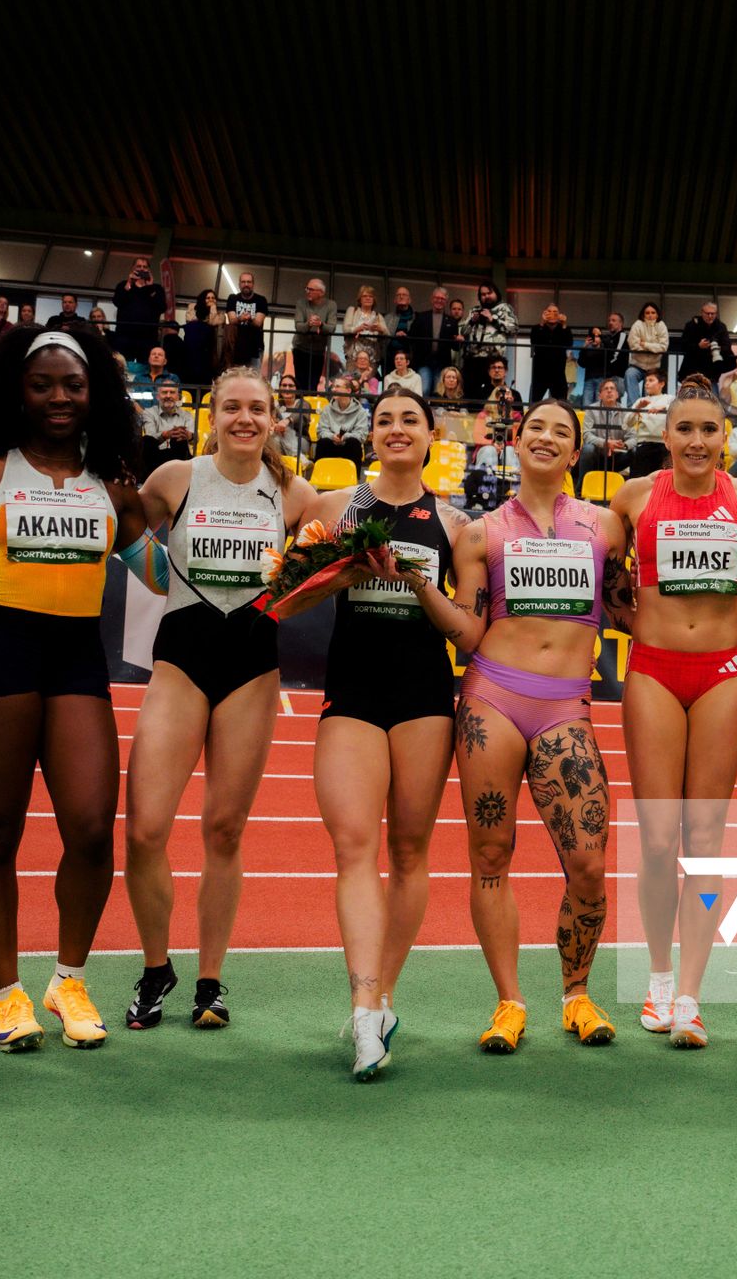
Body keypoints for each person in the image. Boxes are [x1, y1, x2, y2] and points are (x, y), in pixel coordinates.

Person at [0, 325, 165, 1053]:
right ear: (16, 390)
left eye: (72, 384)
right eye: (42, 384)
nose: (59, 397)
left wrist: (273, 570)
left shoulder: (116, 486)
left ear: (95, 391)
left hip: (77, 661)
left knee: (91, 827)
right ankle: (7, 995)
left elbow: (167, 577)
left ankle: (68, 978)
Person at [407, 400, 632, 1052]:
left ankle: (577, 995)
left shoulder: (605, 526)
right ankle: (509, 1001)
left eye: (561, 431)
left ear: (575, 453)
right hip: (491, 701)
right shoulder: (481, 533)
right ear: (517, 441)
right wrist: (425, 589)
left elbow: (628, 612)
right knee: (490, 856)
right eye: (536, 426)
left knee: (588, 862)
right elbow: (471, 630)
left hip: (566, 705)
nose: (546, 437)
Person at [281, 387, 469, 1079]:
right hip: (353, 694)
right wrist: (345, 570)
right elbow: (286, 601)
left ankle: (387, 995)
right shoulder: (336, 510)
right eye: (384, 419)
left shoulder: (455, 522)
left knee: (410, 850)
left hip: (423, 696)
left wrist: (419, 585)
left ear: (430, 436)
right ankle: (364, 1009)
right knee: (354, 846)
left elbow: (467, 631)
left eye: (409, 420)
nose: (395, 429)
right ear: (370, 435)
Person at [124, 367, 319, 1030]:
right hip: (181, 660)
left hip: (252, 668)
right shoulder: (175, 479)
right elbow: (125, 531)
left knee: (224, 831)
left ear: (274, 419)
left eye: (256, 409)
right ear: (213, 416)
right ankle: (156, 968)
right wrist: (153, 571)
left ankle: (209, 981)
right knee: (146, 827)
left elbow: (347, 529)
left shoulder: (293, 493)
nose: (243, 418)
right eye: (231, 407)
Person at [609, 375, 737, 1047]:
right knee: (657, 837)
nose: (698, 441)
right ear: (666, 435)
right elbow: (602, 570)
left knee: (705, 838)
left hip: (725, 674)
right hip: (651, 670)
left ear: (725, 436)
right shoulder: (635, 498)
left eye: (710, 429)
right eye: (686, 429)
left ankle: (692, 994)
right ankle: (656, 972)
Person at [461, 284, 517, 401]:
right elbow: (463, 332)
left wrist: (492, 319)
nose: (486, 296)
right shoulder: (474, 310)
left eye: (489, 293)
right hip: (472, 358)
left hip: (493, 359)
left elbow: (514, 329)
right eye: (483, 294)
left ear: (496, 293)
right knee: (470, 392)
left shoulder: (505, 308)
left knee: (491, 393)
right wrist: (472, 321)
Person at [111, 256, 167, 363]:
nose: (141, 269)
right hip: (124, 336)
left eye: (145, 267)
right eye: (138, 266)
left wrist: (150, 288)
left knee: (146, 369)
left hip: (148, 338)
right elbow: (117, 302)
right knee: (121, 367)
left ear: (149, 270)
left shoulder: (157, 288)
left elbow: (162, 307)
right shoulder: (123, 285)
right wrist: (129, 285)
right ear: (132, 268)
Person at [138, 374, 196, 475]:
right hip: (156, 457)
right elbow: (150, 438)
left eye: (172, 392)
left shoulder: (187, 415)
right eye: (164, 392)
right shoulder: (149, 412)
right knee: (147, 441)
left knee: (179, 440)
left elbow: (194, 441)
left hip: (178, 458)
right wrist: (165, 435)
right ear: (157, 396)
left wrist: (189, 436)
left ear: (178, 397)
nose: (168, 396)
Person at [312, 375, 370, 463]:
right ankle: (319, 475)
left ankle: (354, 476)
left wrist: (345, 437)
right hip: (331, 444)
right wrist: (332, 436)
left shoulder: (360, 411)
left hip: (348, 446)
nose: (333, 389)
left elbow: (362, 435)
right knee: (323, 442)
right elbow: (320, 431)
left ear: (348, 390)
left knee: (354, 443)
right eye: (333, 386)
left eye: (337, 386)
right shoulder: (327, 409)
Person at [580, 377, 630, 479]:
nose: (609, 391)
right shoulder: (591, 410)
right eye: (606, 389)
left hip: (618, 456)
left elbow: (633, 437)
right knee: (588, 448)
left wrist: (624, 445)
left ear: (617, 394)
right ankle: (580, 490)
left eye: (612, 388)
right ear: (600, 395)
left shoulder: (626, 412)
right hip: (597, 456)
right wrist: (605, 443)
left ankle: (633, 489)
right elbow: (586, 435)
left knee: (635, 451)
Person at [626, 368, 672, 475]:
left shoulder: (669, 399)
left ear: (661, 384)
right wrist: (637, 408)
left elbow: (679, 409)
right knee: (640, 480)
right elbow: (627, 423)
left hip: (663, 445)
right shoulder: (640, 401)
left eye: (651, 380)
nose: (646, 384)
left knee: (662, 480)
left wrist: (664, 407)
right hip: (644, 445)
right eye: (646, 381)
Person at [407, 286, 459, 382]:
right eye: (437, 298)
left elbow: (456, 347)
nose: (439, 301)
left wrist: (459, 341)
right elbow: (411, 337)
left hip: (442, 363)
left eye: (442, 299)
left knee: (438, 392)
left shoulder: (452, 321)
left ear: (446, 301)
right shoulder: (421, 317)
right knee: (424, 389)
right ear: (432, 299)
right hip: (423, 362)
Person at [223, 271, 271, 372]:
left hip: (255, 347)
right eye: (243, 282)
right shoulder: (233, 298)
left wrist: (249, 318)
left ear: (253, 284)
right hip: (235, 347)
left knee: (253, 380)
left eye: (249, 282)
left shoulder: (261, 300)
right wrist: (241, 318)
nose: (246, 284)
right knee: (235, 379)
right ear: (239, 284)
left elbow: (258, 322)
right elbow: (231, 320)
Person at [576, 313, 627, 405]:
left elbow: (614, 354)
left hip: (615, 376)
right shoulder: (593, 347)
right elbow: (581, 363)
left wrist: (601, 337)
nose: (610, 323)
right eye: (609, 321)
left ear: (621, 323)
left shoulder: (621, 336)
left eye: (613, 320)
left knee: (609, 405)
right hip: (593, 379)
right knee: (588, 404)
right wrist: (584, 347)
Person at [680, 301, 732, 386]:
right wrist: (698, 346)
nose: (710, 316)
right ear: (702, 312)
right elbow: (683, 345)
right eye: (707, 313)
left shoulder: (721, 327)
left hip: (712, 372)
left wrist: (717, 348)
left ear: (716, 313)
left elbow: (727, 346)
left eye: (713, 314)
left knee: (711, 398)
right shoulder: (692, 325)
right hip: (692, 370)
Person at [528, 303, 573, 401]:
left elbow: (569, 343)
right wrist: (542, 323)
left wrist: (564, 324)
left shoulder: (564, 329)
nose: (552, 314)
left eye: (555, 312)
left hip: (558, 373)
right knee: (534, 402)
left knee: (561, 402)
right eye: (549, 312)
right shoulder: (536, 328)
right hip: (540, 373)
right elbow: (534, 341)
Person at [625, 303, 669, 401]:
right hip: (637, 365)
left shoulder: (661, 326)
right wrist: (654, 348)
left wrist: (645, 344)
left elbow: (663, 347)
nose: (650, 315)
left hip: (654, 367)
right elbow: (633, 344)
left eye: (653, 312)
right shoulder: (637, 324)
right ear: (643, 314)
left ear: (657, 315)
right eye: (647, 313)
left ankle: (648, 408)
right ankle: (634, 407)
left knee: (650, 392)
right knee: (629, 374)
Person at [341, 284, 388, 370]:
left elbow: (387, 334)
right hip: (354, 356)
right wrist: (356, 329)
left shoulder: (378, 316)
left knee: (368, 382)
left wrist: (380, 329)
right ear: (360, 299)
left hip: (372, 357)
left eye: (371, 296)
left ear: (374, 300)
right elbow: (345, 329)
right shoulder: (352, 310)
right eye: (365, 296)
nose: (368, 298)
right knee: (351, 381)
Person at [180, 290, 219, 384]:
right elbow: (190, 319)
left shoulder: (218, 313)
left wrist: (213, 308)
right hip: (193, 341)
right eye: (208, 298)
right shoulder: (193, 306)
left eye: (213, 298)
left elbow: (213, 323)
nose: (210, 300)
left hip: (206, 346)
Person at [384, 286, 416, 369]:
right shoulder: (387, 318)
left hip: (410, 356)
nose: (401, 297)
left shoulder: (417, 318)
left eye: (404, 295)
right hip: (391, 356)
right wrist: (394, 336)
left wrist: (406, 337)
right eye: (398, 295)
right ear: (395, 300)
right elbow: (384, 339)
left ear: (409, 300)